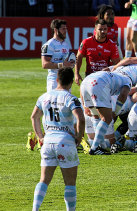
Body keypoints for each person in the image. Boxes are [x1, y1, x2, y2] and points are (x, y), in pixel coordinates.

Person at [30, 67, 85, 211]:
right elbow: (80, 118)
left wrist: (40, 137)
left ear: (56, 80)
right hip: (65, 142)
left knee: (44, 180)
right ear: (72, 82)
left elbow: (34, 117)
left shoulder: (44, 97)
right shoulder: (70, 98)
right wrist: (79, 137)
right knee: (70, 183)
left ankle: (35, 209)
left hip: (48, 142)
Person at [80, 70, 132, 155]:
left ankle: (101, 146)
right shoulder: (128, 81)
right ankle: (94, 148)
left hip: (85, 83)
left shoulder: (116, 75)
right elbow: (123, 95)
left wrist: (84, 104)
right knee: (107, 118)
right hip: (97, 84)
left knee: (95, 116)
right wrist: (115, 112)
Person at [74, 19, 120, 85]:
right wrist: (76, 73)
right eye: (100, 29)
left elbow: (116, 64)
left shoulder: (112, 44)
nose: (103, 31)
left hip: (105, 78)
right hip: (90, 77)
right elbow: (78, 57)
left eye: (105, 29)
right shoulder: (86, 42)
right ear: (95, 29)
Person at [41, 19, 75, 92]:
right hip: (54, 81)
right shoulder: (49, 45)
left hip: (66, 80)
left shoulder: (65, 44)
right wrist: (62, 65)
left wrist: (72, 62)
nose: (65, 31)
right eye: (63, 29)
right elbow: (44, 64)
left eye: (66, 29)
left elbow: (65, 61)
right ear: (56, 30)